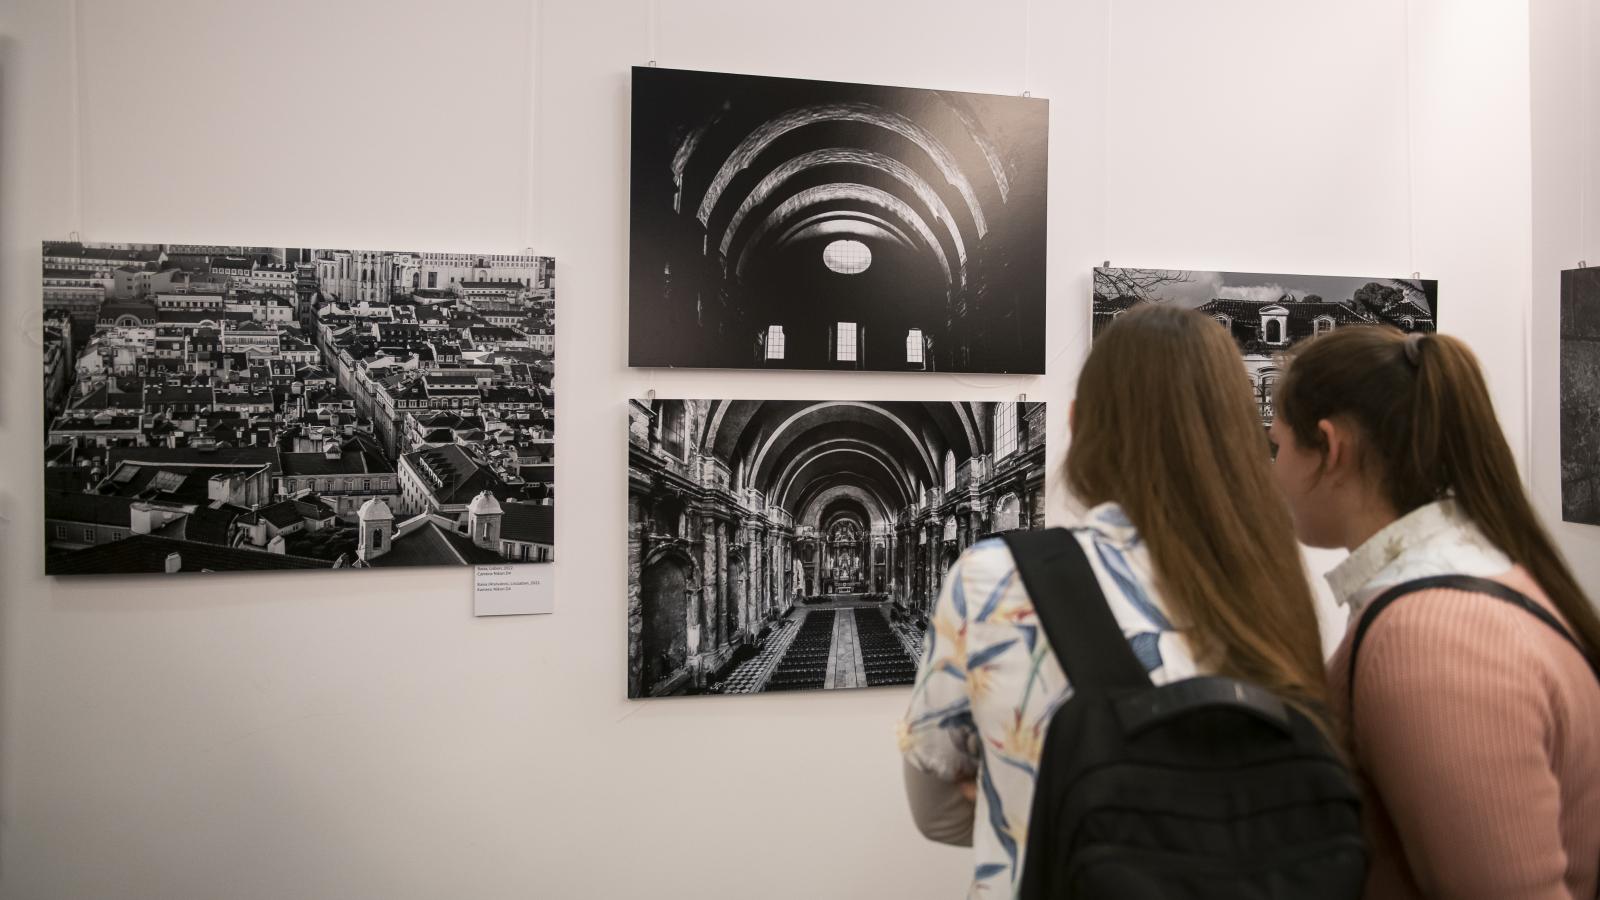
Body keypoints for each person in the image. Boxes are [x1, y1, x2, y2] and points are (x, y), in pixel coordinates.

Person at [898, 304, 1332, 897]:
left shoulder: (992, 578)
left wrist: (1033, 804)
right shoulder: (1276, 580)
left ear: (1077, 424)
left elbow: (935, 808)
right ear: (1240, 433)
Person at [1269, 325, 1600, 899]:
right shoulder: (1459, 589)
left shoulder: (1428, 638)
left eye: (1278, 446)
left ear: (1330, 446)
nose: (1273, 472)